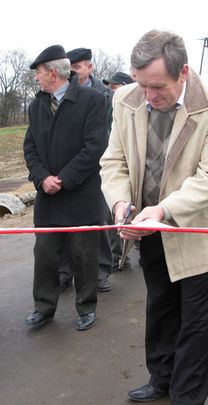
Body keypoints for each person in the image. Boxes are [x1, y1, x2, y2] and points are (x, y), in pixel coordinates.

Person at [100, 30, 208, 405]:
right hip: (147, 230)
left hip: (198, 230)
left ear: (184, 74)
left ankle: (186, 397)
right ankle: (161, 377)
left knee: (196, 320)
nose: (148, 96)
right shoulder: (125, 100)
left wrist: (163, 209)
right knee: (160, 306)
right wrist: (119, 203)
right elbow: (114, 161)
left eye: (157, 86)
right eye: (141, 84)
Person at [23, 45, 108, 331]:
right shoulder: (36, 106)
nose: (36, 78)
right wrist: (41, 178)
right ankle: (43, 308)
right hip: (48, 199)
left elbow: (95, 146)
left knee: (84, 256)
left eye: (38, 72)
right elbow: (30, 147)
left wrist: (65, 179)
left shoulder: (92, 100)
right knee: (45, 256)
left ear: (52, 72)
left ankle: (86, 308)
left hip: (80, 196)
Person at [59, 47, 126, 293]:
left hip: (98, 165)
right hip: (68, 167)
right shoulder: (63, 93)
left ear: (89, 67)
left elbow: (110, 131)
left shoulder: (106, 95)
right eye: (70, 68)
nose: (73, 73)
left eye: (76, 68)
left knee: (98, 221)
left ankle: (100, 271)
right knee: (64, 222)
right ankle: (65, 272)